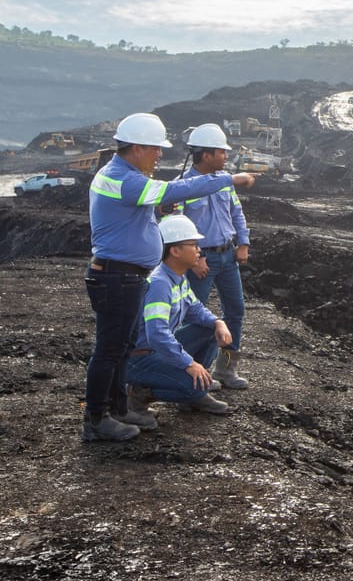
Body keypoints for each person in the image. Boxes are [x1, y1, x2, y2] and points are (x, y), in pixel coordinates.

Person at [82, 113, 255, 442]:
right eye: (155, 149)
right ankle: (96, 419)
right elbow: (178, 189)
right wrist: (229, 179)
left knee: (120, 348)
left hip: (125, 275)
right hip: (117, 277)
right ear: (136, 147)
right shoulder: (127, 181)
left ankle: (118, 410)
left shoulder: (121, 174)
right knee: (110, 349)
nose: (159, 155)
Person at [125, 215, 235, 420]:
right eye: (193, 244)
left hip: (156, 350)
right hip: (140, 358)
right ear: (175, 251)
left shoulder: (178, 276)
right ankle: (138, 394)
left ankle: (195, 389)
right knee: (192, 387)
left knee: (210, 328)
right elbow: (157, 334)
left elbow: (194, 309)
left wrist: (218, 322)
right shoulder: (160, 284)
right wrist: (189, 364)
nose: (199, 249)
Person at [179, 123, 252, 390]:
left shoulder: (224, 183)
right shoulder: (183, 187)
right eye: (222, 152)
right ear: (206, 155)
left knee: (236, 311)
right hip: (202, 260)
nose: (226, 157)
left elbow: (236, 213)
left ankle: (225, 369)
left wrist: (242, 242)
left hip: (228, 256)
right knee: (196, 317)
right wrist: (195, 258)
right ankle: (195, 374)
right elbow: (177, 225)